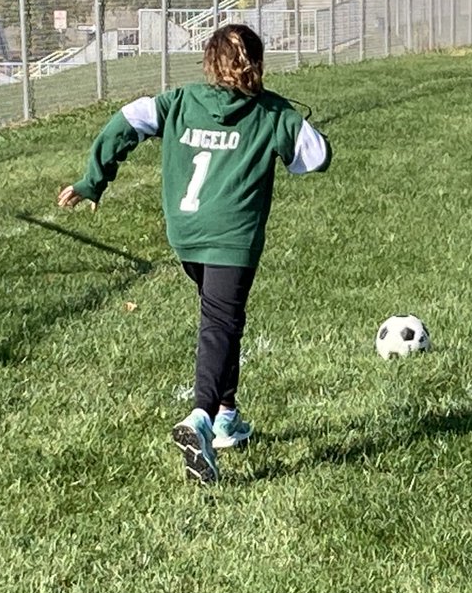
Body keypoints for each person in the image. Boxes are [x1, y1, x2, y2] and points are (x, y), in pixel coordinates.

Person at [56, 24, 332, 484]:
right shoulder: (270, 113)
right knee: (220, 322)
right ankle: (200, 418)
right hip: (231, 238)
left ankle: (227, 416)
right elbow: (316, 157)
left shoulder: (178, 102)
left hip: (185, 234)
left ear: (209, 63)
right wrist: (286, 114)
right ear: (258, 65)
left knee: (225, 315)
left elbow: (124, 120)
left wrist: (93, 180)